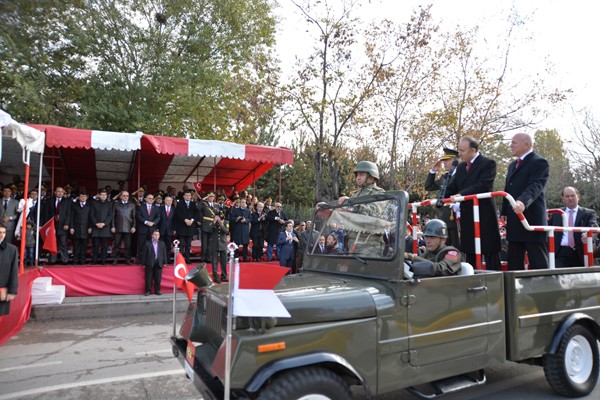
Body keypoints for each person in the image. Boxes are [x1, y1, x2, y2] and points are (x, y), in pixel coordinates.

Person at [447, 136, 501, 270]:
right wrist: (441, 197)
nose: (459, 154)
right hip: (467, 215)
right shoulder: (460, 168)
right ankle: (471, 280)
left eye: (462, 150)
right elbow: (452, 187)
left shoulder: (488, 163)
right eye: (459, 150)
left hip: (484, 214)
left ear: (473, 150)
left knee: (490, 251)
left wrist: (462, 195)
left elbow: (484, 184)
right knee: (470, 250)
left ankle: (495, 282)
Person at [501, 132, 550, 270]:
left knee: (538, 261)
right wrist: (505, 210)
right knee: (514, 261)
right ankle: (515, 290)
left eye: (514, 142)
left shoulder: (539, 162)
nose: (510, 145)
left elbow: (536, 185)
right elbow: (508, 189)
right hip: (515, 218)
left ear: (527, 144)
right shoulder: (512, 165)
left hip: (531, 218)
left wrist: (522, 202)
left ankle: (543, 288)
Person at [550, 186, 598, 267]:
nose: (570, 198)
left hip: (581, 253)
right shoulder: (556, 213)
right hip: (561, 253)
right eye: (567, 196)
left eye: (573, 195)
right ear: (563, 198)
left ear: (578, 196)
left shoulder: (589, 213)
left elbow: (594, 227)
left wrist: (589, 235)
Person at [424, 147, 460, 248]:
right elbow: (429, 186)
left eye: (447, 160)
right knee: (445, 248)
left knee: (458, 247)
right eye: (443, 160)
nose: (444, 163)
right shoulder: (445, 177)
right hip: (444, 217)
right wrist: (433, 171)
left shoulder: (462, 174)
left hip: (456, 216)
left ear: (455, 161)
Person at [42, 186, 71, 265]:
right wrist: (46, 224)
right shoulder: (50, 201)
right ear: (55, 192)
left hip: (62, 225)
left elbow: (69, 214)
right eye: (58, 191)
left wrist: (67, 224)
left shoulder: (67, 201)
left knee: (63, 243)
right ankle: (52, 260)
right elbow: (46, 213)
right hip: (52, 225)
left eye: (62, 192)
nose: (60, 193)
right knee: (52, 243)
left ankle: (64, 260)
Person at [139, 229, 167, 296]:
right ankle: (148, 290)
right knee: (148, 278)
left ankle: (157, 290)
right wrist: (143, 263)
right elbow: (144, 254)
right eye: (155, 234)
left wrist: (165, 262)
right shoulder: (147, 243)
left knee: (158, 278)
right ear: (152, 235)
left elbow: (164, 254)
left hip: (159, 262)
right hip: (149, 262)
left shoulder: (162, 244)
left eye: (158, 235)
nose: (156, 236)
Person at [111, 191, 137, 264]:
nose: (126, 197)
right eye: (124, 195)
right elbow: (113, 216)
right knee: (117, 244)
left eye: (127, 196)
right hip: (117, 227)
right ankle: (115, 259)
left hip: (128, 227)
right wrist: (113, 226)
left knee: (128, 245)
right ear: (120, 196)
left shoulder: (132, 205)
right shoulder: (116, 204)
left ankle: (127, 260)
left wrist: (134, 226)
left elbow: (134, 217)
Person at [136, 192, 161, 262]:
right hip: (142, 229)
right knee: (141, 245)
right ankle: (141, 260)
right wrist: (146, 222)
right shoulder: (141, 207)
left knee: (152, 246)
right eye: (149, 198)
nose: (151, 200)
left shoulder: (156, 208)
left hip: (152, 230)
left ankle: (151, 260)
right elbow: (138, 216)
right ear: (145, 199)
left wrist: (153, 223)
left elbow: (158, 217)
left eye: (152, 199)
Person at [0, 224, 19, 316]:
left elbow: (14, 271)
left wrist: (12, 291)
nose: (2, 235)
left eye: (4, 232)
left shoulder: (11, 250)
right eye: (0, 232)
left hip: (2, 289)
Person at [174, 190, 197, 264]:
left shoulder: (193, 204)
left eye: (189, 195)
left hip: (190, 226)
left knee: (188, 244)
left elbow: (196, 213)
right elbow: (178, 213)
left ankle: (187, 258)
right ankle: (180, 259)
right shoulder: (179, 204)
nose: (188, 197)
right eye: (186, 195)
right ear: (184, 196)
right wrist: (185, 220)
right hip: (182, 226)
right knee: (182, 244)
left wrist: (192, 220)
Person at [69, 192, 92, 265]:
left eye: (84, 196)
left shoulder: (89, 206)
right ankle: (75, 261)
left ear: (86, 197)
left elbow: (91, 218)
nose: (83, 198)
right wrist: (71, 227)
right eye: (81, 196)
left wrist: (90, 227)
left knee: (84, 247)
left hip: (85, 230)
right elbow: (71, 217)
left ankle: (82, 261)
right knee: (76, 247)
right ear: (79, 197)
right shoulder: (75, 206)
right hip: (76, 229)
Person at [198, 192, 218, 262]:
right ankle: (203, 258)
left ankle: (208, 258)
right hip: (205, 225)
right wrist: (203, 199)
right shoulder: (204, 204)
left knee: (210, 243)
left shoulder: (216, 205)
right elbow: (198, 207)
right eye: (210, 197)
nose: (211, 198)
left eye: (213, 197)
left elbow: (219, 213)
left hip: (213, 225)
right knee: (204, 243)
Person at [209, 214, 229, 283]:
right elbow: (209, 230)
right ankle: (215, 276)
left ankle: (224, 276)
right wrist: (214, 221)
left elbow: (226, 231)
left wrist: (221, 224)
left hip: (223, 244)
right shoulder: (213, 222)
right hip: (215, 244)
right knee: (214, 261)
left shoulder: (226, 222)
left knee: (224, 261)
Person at [158, 195, 176, 264]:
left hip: (169, 230)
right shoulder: (160, 208)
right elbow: (158, 219)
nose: (169, 202)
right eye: (167, 200)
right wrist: (157, 229)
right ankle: (161, 259)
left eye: (170, 200)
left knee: (168, 246)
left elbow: (175, 220)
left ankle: (167, 259)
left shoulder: (174, 209)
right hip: (161, 230)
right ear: (164, 201)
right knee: (160, 245)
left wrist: (174, 229)